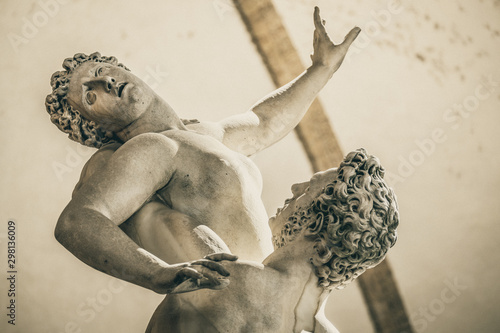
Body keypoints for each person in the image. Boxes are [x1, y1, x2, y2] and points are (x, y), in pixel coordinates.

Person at [45, 7, 361, 294]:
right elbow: (77, 221)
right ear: (92, 125)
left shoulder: (203, 135)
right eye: (90, 95)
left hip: (268, 297)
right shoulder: (128, 154)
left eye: (101, 71)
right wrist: (155, 274)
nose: (105, 83)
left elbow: (264, 123)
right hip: (227, 305)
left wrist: (321, 68)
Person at [145, 149, 399, 333]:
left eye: (309, 188)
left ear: (318, 226)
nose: (295, 188)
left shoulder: (225, 278)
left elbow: (142, 213)